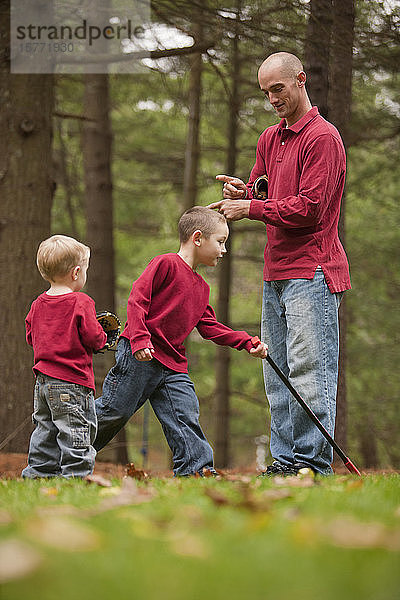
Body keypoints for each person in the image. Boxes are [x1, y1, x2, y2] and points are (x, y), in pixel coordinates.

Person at [208, 52, 351, 476]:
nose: (272, 98)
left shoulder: (322, 138)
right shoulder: (271, 139)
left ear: (301, 80)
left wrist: (250, 208)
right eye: (266, 92)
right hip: (276, 272)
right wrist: (244, 190)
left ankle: (311, 465)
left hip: (314, 271)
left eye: (278, 88)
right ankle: (286, 462)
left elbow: (310, 208)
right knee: (277, 374)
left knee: (310, 371)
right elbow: (265, 188)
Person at [94, 206, 267, 476]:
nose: (224, 250)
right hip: (140, 354)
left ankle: (196, 472)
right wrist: (139, 339)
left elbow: (209, 327)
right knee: (114, 411)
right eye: (220, 242)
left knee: (185, 416)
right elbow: (137, 300)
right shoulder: (165, 264)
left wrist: (246, 341)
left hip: (172, 365)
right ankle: (69, 450)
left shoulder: (201, 287)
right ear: (197, 238)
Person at [22, 235, 107, 479]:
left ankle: (38, 475)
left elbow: (31, 337)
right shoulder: (81, 302)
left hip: (42, 383)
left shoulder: (37, 304)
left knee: (45, 430)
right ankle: (75, 477)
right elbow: (93, 337)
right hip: (72, 382)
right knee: (76, 430)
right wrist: (104, 338)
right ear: (76, 272)